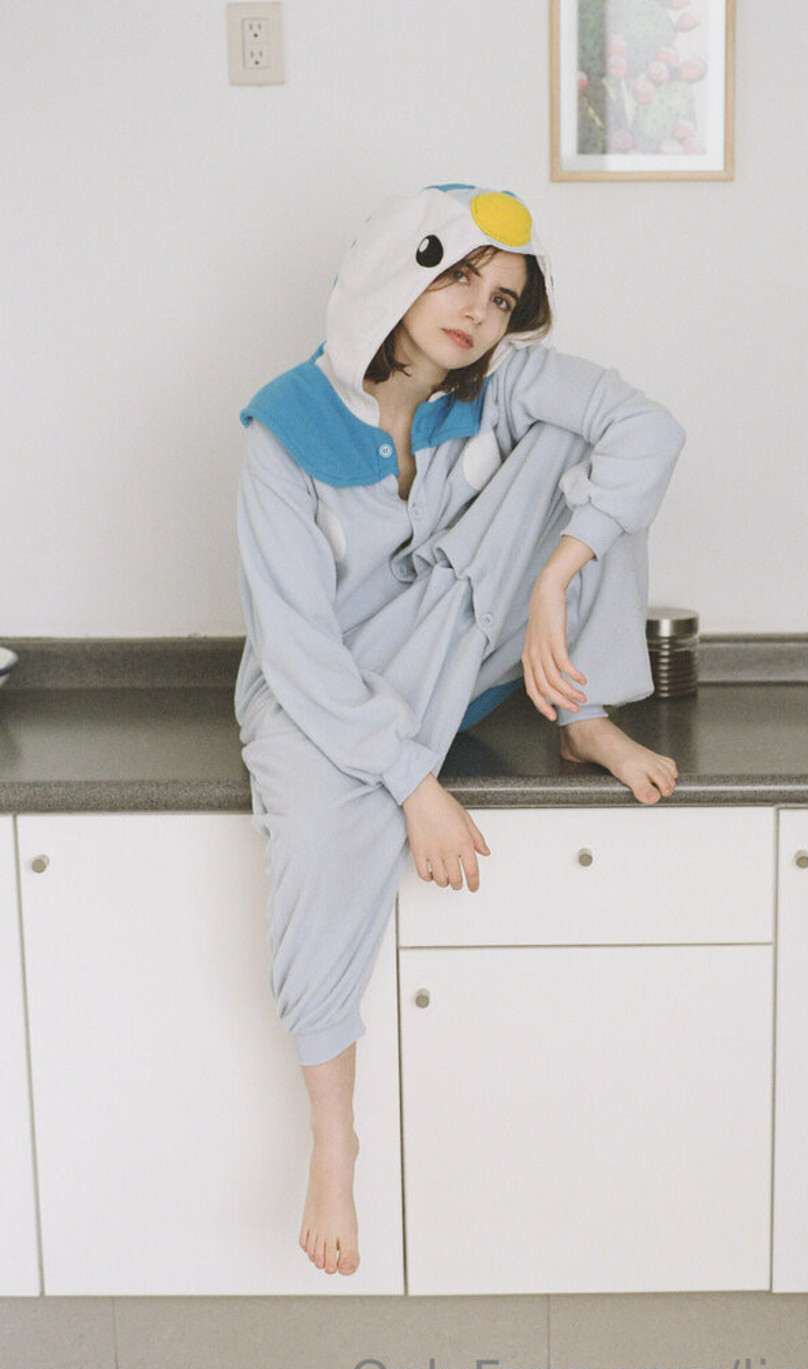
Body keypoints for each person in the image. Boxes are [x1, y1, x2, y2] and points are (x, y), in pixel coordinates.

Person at [235, 183, 685, 1276]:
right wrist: (413, 784)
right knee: (323, 828)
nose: (478, 312)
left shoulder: (501, 385)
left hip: (458, 653)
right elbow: (296, 645)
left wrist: (556, 579)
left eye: (503, 299)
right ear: (400, 270)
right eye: (458, 278)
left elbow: (649, 429)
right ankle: (333, 1138)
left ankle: (580, 714)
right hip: (322, 685)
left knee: (590, 454)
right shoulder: (284, 428)